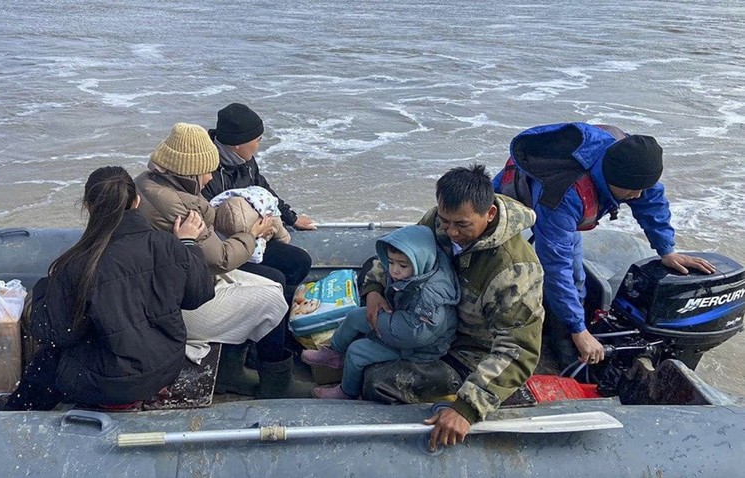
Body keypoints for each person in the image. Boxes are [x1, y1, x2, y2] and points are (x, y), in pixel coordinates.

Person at [492, 123, 715, 368]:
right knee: (505, 274)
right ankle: (563, 339)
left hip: (564, 206)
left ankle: (563, 332)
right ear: (610, 180)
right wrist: (579, 331)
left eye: (642, 188)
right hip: (514, 199)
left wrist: (667, 250)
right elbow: (556, 267)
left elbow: (651, 202)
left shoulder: (634, 162)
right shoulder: (564, 196)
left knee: (578, 279)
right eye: (631, 190)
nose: (638, 195)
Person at [362, 165, 544, 450]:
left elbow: (518, 350)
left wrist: (467, 408)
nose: (451, 232)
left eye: (462, 225)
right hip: (427, 319)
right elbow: (404, 253)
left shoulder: (514, 270)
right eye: (446, 222)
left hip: (469, 350)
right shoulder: (438, 221)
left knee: (380, 380)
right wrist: (373, 288)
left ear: (490, 214)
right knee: (365, 281)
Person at [5, 166, 215, 410]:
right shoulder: (167, 244)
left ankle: (12, 415)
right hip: (166, 366)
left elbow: (55, 332)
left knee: (47, 359)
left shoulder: (78, 263)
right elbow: (200, 293)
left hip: (108, 383)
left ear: (88, 207)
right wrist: (187, 243)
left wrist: (44, 288)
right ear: (136, 202)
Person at [135, 122, 313, 398]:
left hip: (165, 286)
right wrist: (252, 235)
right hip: (176, 305)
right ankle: (276, 384)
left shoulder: (147, 183)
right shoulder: (179, 206)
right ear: (190, 170)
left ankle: (232, 371)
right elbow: (220, 259)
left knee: (274, 281)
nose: (209, 178)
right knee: (273, 299)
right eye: (206, 171)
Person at [301, 225, 459, 400]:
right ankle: (334, 353)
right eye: (391, 262)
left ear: (420, 262)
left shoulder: (432, 296)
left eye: (402, 265)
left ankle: (347, 392)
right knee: (354, 315)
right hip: (399, 321)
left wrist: (379, 320)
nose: (394, 270)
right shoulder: (413, 273)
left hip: (419, 348)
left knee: (357, 351)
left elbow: (413, 334)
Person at [203, 103, 313, 300]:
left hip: (256, 237)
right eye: (258, 140)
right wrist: (251, 233)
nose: (259, 144)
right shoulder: (206, 171)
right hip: (226, 249)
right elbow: (208, 225)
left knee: (300, 261)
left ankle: (287, 313)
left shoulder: (245, 160)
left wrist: (291, 218)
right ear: (238, 143)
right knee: (276, 280)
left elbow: (263, 189)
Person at [210, 186, 292, 264]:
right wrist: (259, 236)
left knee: (297, 258)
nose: (210, 177)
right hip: (233, 250)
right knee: (278, 274)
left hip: (238, 242)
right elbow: (254, 257)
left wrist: (291, 218)